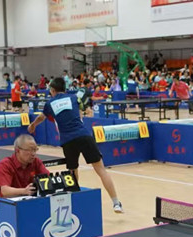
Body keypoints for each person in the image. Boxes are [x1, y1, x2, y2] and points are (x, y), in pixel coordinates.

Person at [27, 77, 123, 213]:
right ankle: (116, 203)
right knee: (101, 170)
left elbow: (41, 117)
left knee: (72, 172)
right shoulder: (73, 98)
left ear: (52, 90)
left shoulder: (50, 103)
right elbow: (80, 113)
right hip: (84, 136)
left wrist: (33, 125)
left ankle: (74, 201)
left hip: (68, 140)